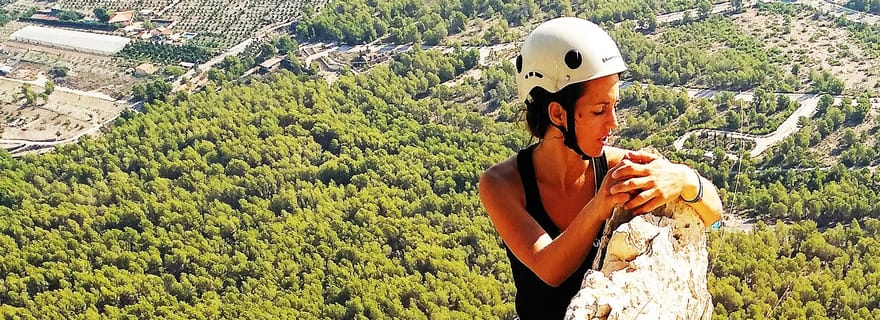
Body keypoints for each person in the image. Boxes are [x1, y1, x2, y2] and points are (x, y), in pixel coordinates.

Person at [478, 17, 723, 319]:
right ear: (558, 113)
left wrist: (686, 180)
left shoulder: (616, 168)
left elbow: (714, 218)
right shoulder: (502, 184)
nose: (614, 122)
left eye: (614, 106)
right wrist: (599, 206)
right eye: (600, 110)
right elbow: (549, 268)